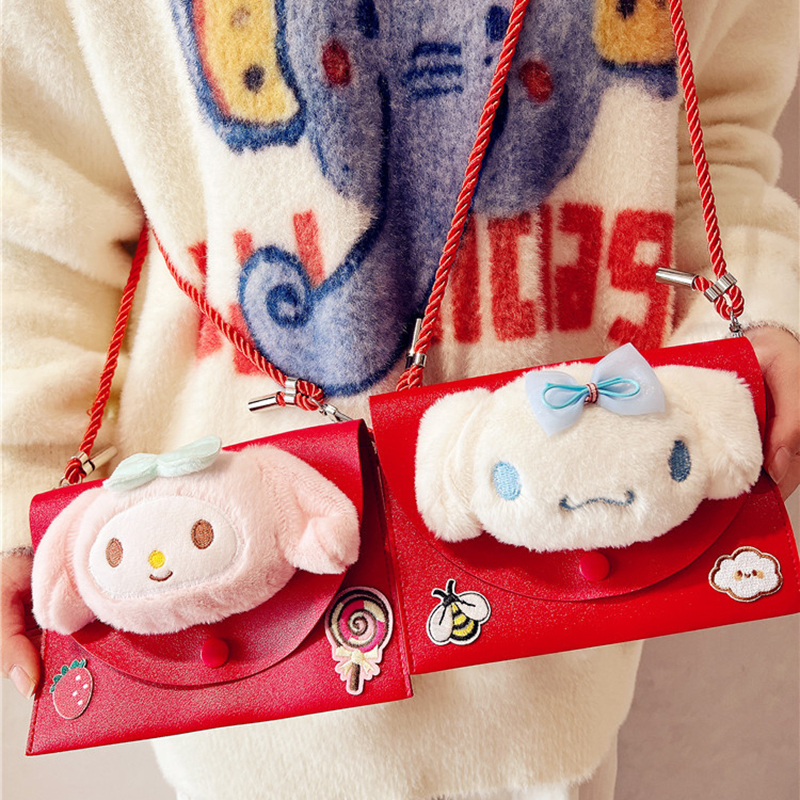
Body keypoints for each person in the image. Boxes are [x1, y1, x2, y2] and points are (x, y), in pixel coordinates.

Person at [2, 1, 798, 798]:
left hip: (574, 629)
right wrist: (21, 494)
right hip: (221, 632)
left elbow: (714, 138)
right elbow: (39, 213)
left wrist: (754, 319)